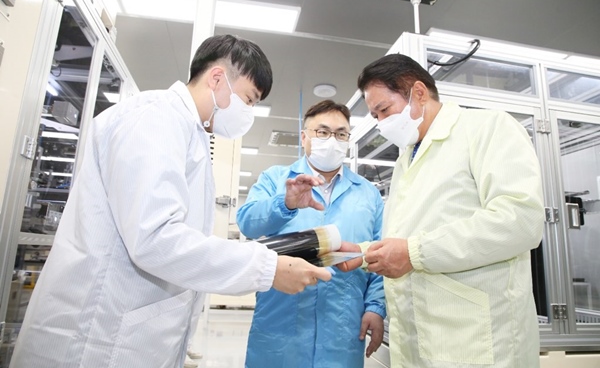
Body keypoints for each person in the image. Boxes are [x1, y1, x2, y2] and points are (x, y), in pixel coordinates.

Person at [9, 34, 331, 368]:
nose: (248, 113)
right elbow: (155, 237)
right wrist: (266, 268)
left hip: (125, 334)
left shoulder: (188, 132)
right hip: (95, 337)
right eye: (248, 100)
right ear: (217, 78)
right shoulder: (153, 119)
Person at [339, 54, 544, 367]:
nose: (381, 124)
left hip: (479, 338)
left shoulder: (487, 128)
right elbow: (409, 235)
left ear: (419, 93)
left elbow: (520, 220)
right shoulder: (406, 159)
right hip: (421, 336)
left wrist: (414, 253)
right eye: (375, 116)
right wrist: (364, 253)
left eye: (384, 110)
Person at [237, 99, 386, 368]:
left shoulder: (367, 194)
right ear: (304, 137)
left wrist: (375, 307)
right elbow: (247, 223)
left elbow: (378, 254)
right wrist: (285, 203)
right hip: (280, 325)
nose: (332, 140)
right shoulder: (276, 179)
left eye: (341, 134)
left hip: (342, 329)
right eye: (323, 132)